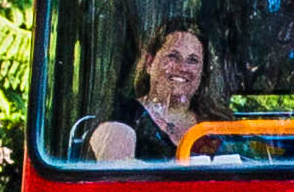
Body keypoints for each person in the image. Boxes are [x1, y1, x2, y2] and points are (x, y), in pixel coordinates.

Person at [83, 24, 216, 163]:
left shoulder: (215, 122)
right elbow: (119, 178)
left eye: (192, 60)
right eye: (173, 56)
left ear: (202, 73)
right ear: (149, 63)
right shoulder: (122, 116)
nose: (183, 67)